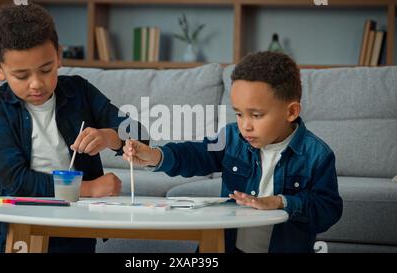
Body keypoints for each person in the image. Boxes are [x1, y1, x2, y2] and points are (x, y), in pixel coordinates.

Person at [122, 51, 343, 253]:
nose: (245, 125)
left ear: (291, 111)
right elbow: (196, 154)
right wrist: (156, 155)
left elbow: (327, 210)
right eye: (239, 114)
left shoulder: (317, 155)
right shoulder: (232, 137)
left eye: (256, 115)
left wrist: (281, 202)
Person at [0, 3, 143, 253]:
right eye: (22, 76)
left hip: (77, 221)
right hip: (21, 221)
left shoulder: (78, 91)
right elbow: (13, 180)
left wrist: (110, 137)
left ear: (58, 56)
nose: (36, 84)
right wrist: (88, 189)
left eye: (46, 70)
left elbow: (138, 133)